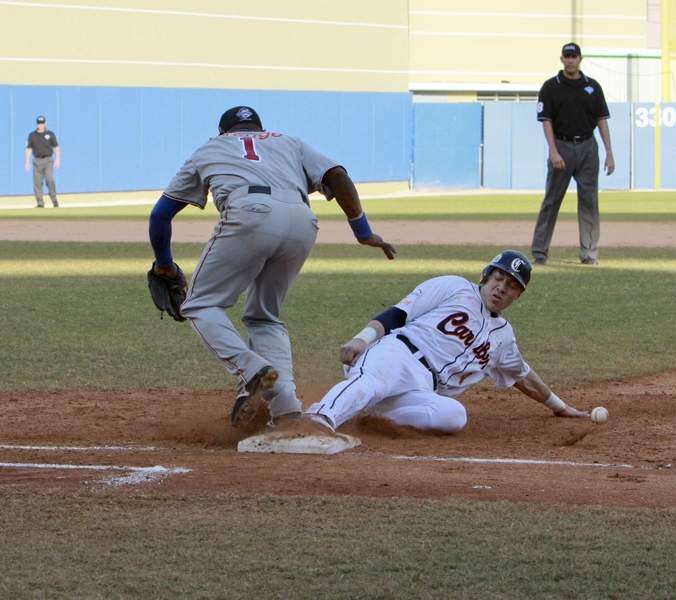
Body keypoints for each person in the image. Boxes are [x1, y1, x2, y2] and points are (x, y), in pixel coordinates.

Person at [148, 105, 396, 429]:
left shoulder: (211, 147)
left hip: (248, 211)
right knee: (263, 316)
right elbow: (337, 176)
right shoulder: (288, 142)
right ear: (259, 129)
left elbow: (160, 215)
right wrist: (362, 231)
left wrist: (165, 265)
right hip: (301, 221)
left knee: (200, 304)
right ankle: (287, 408)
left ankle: (250, 370)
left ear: (225, 132)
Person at [297, 250, 587, 438]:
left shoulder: (503, 336)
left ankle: (365, 416)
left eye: (512, 286)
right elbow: (400, 312)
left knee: (453, 416)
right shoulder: (455, 287)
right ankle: (317, 418)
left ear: (518, 296)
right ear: (486, 277)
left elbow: (522, 375)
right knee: (373, 381)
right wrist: (362, 338)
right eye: (499, 278)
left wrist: (559, 406)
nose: (502, 288)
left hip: (424, 387)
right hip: (398, 353)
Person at [531, 42, 614, 266]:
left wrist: (609, 152)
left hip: (588, 146)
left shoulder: (592, 87)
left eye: (574, 56)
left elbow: (601, 120)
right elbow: (546, 121)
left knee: (589, 201)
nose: (570, 60)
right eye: (567, 56)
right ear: (561, 59)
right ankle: (540, 251)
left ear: (580, 59)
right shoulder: (550, 86)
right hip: (562, 145)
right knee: (552, 200)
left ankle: (589, 253)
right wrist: (553, 151)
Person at [25, 115, 60, 208]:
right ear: (37, 124)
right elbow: (28, 149)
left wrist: (57, 159)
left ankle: (54, 200)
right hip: (37, 161)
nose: (40, 125)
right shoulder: (32, 136)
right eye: (39, 123)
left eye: (42, 123)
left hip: (48, 160)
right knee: (37, 183)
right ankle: (40, 203)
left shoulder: (50, 134)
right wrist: (27, 162)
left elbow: (56, 147)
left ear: (45, 123)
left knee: (50, 180)